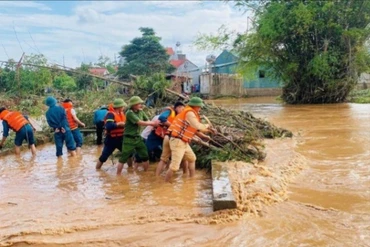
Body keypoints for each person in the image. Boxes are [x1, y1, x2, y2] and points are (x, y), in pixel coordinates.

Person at [165, 97, 215, 182]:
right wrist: (208, 126)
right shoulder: (190, 113)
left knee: (192, 159)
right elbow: (197, 126)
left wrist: (208, 130)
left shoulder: (189, 112)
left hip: (183, 141)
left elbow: (195, 129)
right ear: (195, 106)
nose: (200, 108)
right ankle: (165, 185)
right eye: (199, 107)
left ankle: (192, 180)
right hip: (178, 141)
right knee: (174, 167)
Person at [116, 96, 160, 175]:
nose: (140, 105)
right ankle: (118, 175)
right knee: (123, 158)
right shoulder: (129, 113)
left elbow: (147, 120)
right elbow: (139, 122)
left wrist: (153, 125)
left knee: (145, 156)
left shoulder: (141, 111)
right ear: (133, 105)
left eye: (140, 103)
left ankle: (146, 174)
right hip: (128, 139)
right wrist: (153, 123)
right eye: (138, 103)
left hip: (138, 138)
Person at [154, 101, 186, 176]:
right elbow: (161, 118)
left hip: (167, 137)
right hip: (170, 137)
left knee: (165, 159)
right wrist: (172, 125)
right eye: (182, 108)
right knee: (183, 158)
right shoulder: (170, 111)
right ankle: (186, 177)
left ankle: (157, 177)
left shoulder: (179, 116)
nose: (183, 110)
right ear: (178, 107)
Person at [96, 99, 126, 170]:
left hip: (120, 138)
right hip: (111, 139)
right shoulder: (111, 114)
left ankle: (130, 170)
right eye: (123, 106)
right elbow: (108, 126)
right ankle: (97, 170)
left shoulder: (121, 113)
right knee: (104, 156)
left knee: (128, 154)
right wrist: (119, 124)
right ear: (119, 107)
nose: (124, 107)